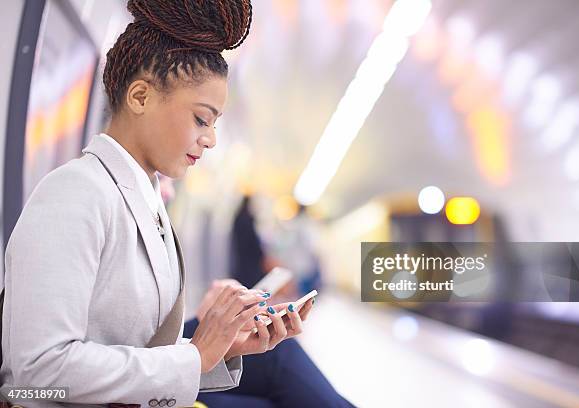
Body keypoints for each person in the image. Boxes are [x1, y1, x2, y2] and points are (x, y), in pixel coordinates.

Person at [0, 1, 313, 406]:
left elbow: (141, 348)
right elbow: (39, 371)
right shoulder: (74, 194)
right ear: (140, 96)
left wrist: (223, 347)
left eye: (215, 124)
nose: (211, 139)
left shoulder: (144, 200)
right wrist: (194, 355)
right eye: (202, 119)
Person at [183, 279, 355, 408]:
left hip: (173, 353)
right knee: (280, 354)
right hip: (167, 379)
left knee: (279, 349)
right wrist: (199, 353)